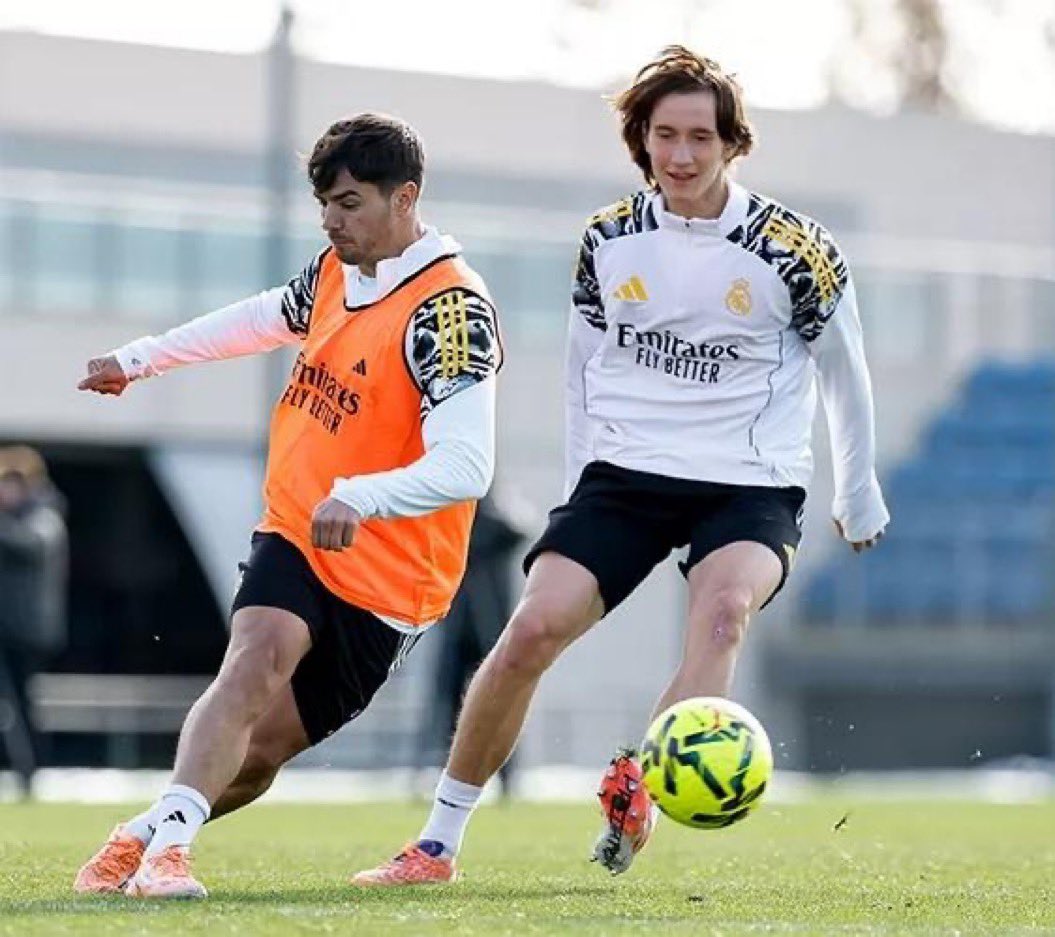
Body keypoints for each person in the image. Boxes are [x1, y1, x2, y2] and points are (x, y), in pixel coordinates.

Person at [354, 45, 889, 886]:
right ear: (640, 141)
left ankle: (640, 789)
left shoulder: (791, 246)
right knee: (530, 629)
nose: (679, 156)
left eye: (699, 139)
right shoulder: (607, 238)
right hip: (626, 474)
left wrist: (856, 490)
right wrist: (578, 487)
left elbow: (843, 367)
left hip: (750, 479)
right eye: (663, 136)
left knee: (720, 616)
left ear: (731, 145)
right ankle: (437, 841)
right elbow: (581, 372)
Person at [73, 112, 503, 899]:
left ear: (404, 198)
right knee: (251, 662)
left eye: (348, 203)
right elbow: (254, 319)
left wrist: (365, 496)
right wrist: (138, 360)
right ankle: (170, 859)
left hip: (393, 585)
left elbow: (468, 464)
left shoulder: (449, 311)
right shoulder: (336, 271)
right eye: (324, 206)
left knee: (261, 754)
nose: (332, 222)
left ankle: (139, 835)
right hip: (300, 528)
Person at [415, 491, 527, 797]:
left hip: (488, 628)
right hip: (456, 629)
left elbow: (517, 531)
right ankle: (434, 767)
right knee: (447, 701)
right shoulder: (449, 527)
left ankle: (507, 773)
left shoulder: (494, 527)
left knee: (496, 697)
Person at [0, 446, 68, 797]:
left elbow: (28, 544)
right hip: (9, 630)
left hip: (24, 632)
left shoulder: (44, 515)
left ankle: (30, 775)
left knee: (22, 707)